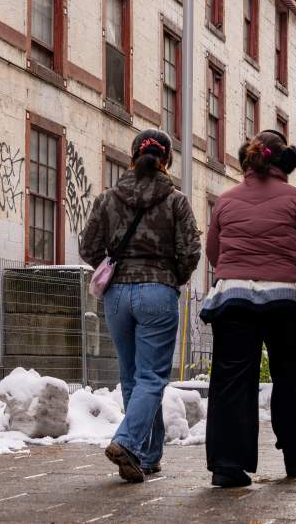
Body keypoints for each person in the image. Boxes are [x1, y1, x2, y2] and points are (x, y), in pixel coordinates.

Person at [202, 129, 296, 488]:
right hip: (283, 300)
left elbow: (215, 254)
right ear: (282, 162)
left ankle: (228, 464)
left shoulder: (225, 201)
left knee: (232, 380)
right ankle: (294, 451)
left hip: (233, 299)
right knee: (286, 376)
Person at [79, 129, 201, 483]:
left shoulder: (107, 199)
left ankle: (148, 454)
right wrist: (171, 276)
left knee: (133, 377)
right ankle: (127, 441)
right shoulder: (176, 200)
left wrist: (115, 262)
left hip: (117, 295)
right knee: (151, 378)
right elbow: (191, 250)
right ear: (166, 161)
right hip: (158, 292)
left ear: (132, 157)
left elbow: (88, 248)